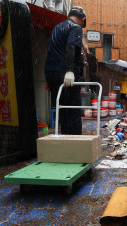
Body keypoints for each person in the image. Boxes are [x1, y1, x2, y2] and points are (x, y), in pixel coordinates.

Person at [44, 6, 86, 135]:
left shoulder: (57, 27)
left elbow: (52, 50)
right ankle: (75, 142)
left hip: (52, 72)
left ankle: (64, 139)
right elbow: (71, 47)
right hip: (66, 74)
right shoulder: (76, 27)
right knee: (73, 110)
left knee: (62, 109)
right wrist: (70, 70)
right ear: (83, 19)